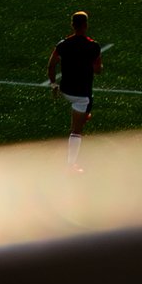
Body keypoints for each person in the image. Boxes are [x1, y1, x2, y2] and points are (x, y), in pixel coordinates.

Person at [45, 11, 106, 173]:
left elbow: (51, 65)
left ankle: (84, 115)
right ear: (86, 25)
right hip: (81, 96)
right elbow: (98, 70)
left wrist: (53, 84)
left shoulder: (62, 45)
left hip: (66, 90)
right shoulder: (93, 46)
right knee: (76, 131)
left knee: (86, 103)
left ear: (72, 25)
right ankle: (71, 165)